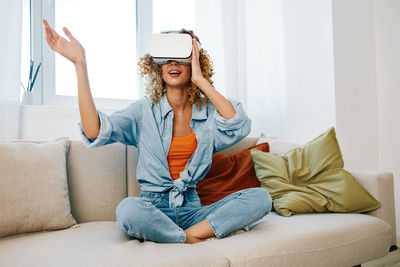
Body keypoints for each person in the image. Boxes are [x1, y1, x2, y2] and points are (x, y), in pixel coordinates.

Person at [43, 19, 272, 244]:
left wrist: (200, 80)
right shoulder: (143, 112)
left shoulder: (208, 114)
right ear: (157, 65)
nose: (173, 62)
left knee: (260, 198)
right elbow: (94, 130)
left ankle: (184, 235)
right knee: (127, 210)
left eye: (181, 56)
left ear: (194, 61)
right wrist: (80, 65)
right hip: (152, 208)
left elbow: (239, 124)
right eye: (166, 57)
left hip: (193, 211)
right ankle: (189, 238)